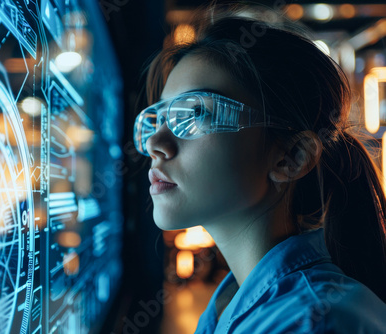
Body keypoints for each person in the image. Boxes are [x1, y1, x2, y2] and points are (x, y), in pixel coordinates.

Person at [132, 5, 386, 334]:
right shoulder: (241, 306)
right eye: (160, 119)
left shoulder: (309, 323)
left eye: (194, 116)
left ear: (291, 157)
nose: (155, 143)